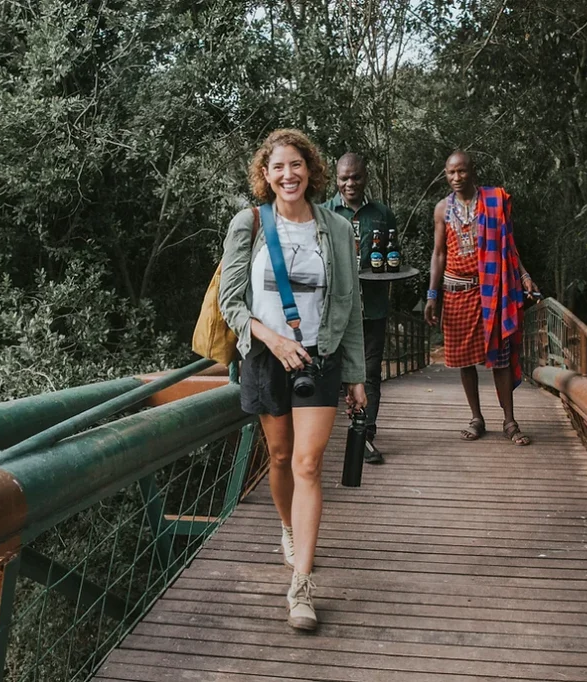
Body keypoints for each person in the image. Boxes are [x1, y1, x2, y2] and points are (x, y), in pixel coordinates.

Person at [218, 129, 367, 631]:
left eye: (297, 165)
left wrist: (356, 374)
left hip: (318, 359)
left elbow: (350, 305)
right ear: (265, 174)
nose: (289, 174)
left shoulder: (336, 229)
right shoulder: (249, 224)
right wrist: (272, 339)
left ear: (312, 170)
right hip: (265, 358)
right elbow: (230, 302)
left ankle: (301, 585)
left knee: (307, 463)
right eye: (278, 166)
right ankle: (287, 527)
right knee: (279, 457)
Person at [424, 150, 539, 445]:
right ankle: (476, 417)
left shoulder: (494, 202)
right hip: (456, 292)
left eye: (461, 171)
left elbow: (508, 246)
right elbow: (438, 254)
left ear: (473, 172)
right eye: (451, 173)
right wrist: (432, 294)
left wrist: (524, 275)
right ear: (445, 174)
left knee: (500, 358)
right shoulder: (442, 209)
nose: (456, 178)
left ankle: (510, 421)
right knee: (465, 361)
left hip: (491, 291)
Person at [322, 153, 396, 464]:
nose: (350, 183)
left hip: (373, 308)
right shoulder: (323, 212)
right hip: (335, 310)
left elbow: (393, 257)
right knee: (328, 372)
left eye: (356, 177)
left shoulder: (382, 214)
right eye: (344, 178)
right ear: (336, 179)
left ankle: (365, 431)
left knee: (370, 371)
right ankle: (325, 434)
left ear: (366, 177)